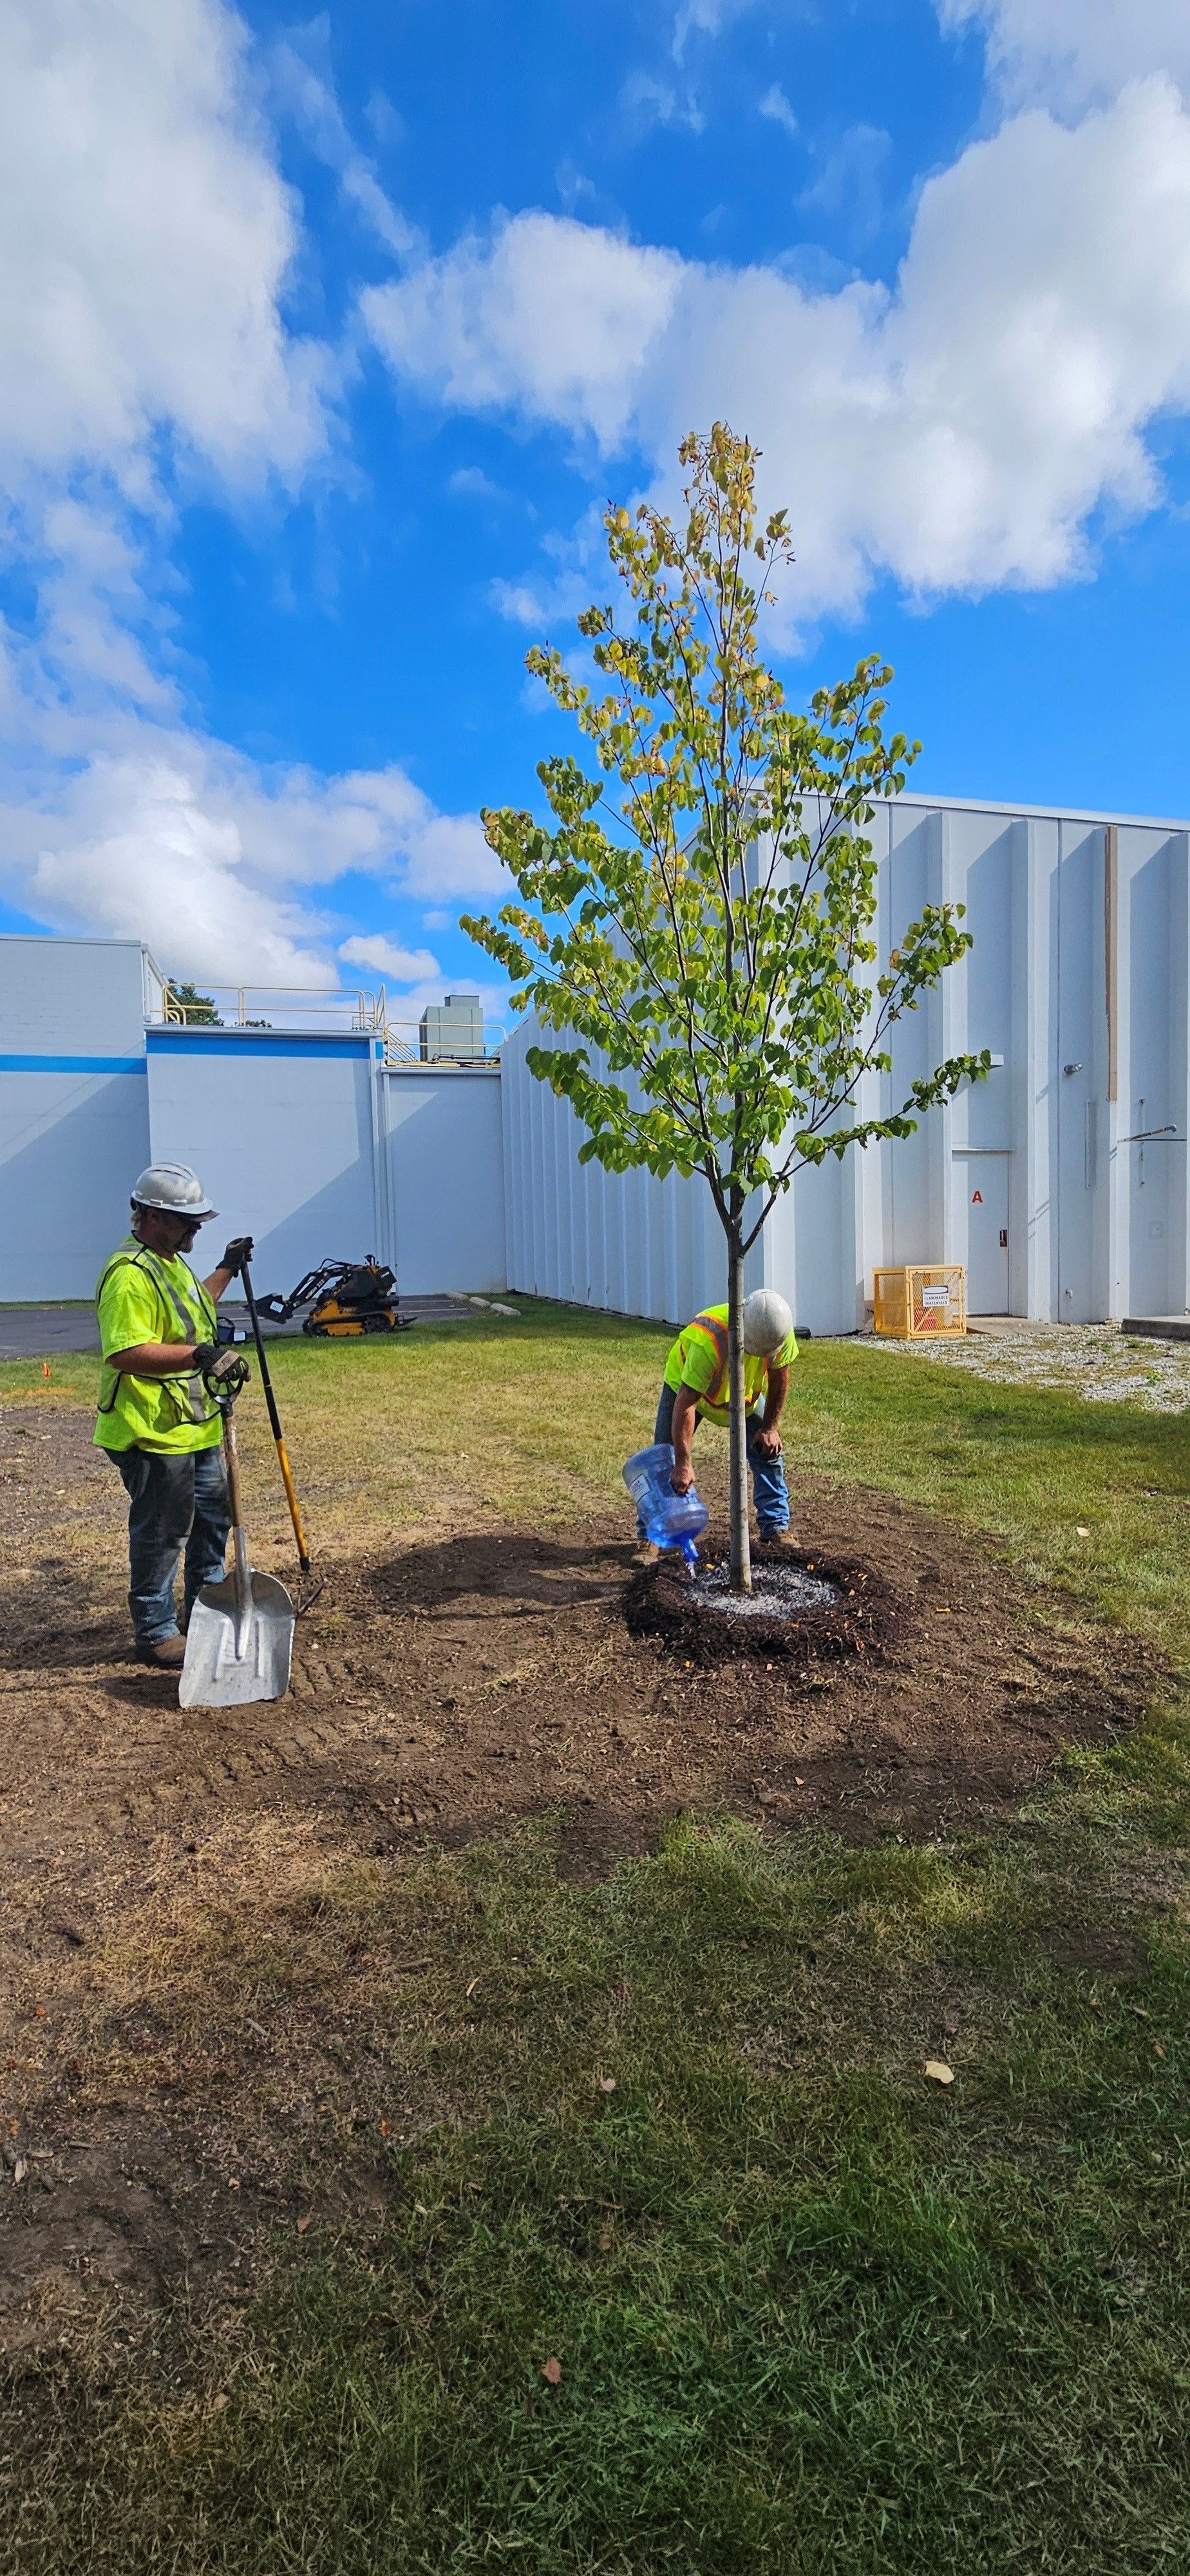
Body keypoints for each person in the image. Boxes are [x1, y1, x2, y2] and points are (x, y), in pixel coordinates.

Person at [94, 1164, 254, 1668]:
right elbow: (125, 1352)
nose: (196, 1230)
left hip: (196, 1423)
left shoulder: (169, 1261)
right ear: (152, 1216)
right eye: (188, 1221)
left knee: (213, 1520)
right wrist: (197, 1358)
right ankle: (156, 1632)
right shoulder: (130, 1276)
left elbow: (193, 1308)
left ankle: (205, 1613)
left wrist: (226, 1267)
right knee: (164, 1532)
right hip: (152, 1432)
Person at [638, 1289, 798, 1561]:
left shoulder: (779, 1331)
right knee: (665, 1459)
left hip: (744, 1396)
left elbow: (780, 1378)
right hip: (689, 1392)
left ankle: (775, 1526)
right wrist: (684, 1463)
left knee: (768, 1452)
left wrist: (770, 1427)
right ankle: (650, 1536)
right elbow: (686, 1404)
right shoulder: (708, 1341)